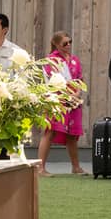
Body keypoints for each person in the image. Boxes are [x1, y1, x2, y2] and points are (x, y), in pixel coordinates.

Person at [36, 31, 85, 176]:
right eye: (65, 43)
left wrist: (77, 93)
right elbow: (54, 81)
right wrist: (67, 94)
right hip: (56, 101)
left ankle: (76, 167)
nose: (68, 45)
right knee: (49, 131)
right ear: (56, 44)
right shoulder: (51, 60)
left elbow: (79, 79)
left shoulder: (75, 60)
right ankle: (40, 167)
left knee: (72, 135)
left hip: (74, 102)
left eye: (70, 42)